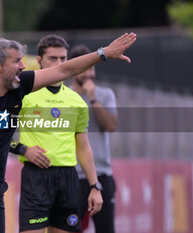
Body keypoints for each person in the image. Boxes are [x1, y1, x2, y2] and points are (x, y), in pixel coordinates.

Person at [0, 33, 136, 233]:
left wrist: (103, 53)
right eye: (17, 61)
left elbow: (65, 70)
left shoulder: (20, 86)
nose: (22, 66)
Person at [8, 35, 102, 233]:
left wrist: (95, 186)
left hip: (68, 179)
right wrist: (25, 150)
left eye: (63, 58)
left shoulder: (77, 101)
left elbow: (83, 147)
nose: (59, 63)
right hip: (36, 178)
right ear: (40, 61)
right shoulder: (24, 95)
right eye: (53, 58)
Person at [69, 45, 117, 233]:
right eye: (84, 68)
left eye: (91, 68)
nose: (88, 73)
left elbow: (111, 126)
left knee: (106, 229)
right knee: (71, 228)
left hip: (102, 175)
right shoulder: (65, 97)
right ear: (74, 69)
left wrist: (93, 99)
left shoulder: (105, 95)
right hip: (73, 175)